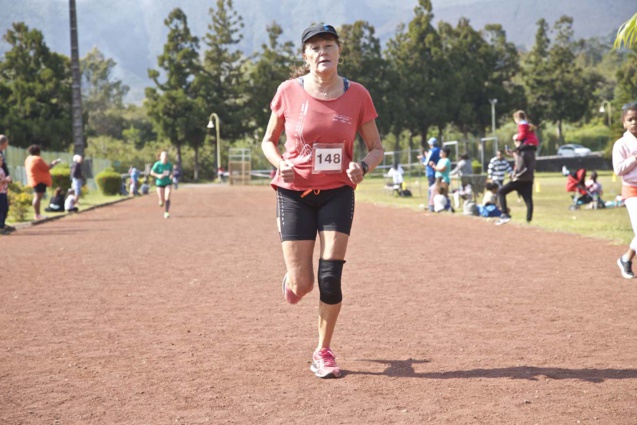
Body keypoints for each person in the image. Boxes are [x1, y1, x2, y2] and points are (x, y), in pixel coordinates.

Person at [260, 23, 384, 379]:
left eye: (328, 45)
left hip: (337, 192)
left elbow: (376, 148)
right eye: (314, 48)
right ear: (305, 56)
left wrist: (362, 166)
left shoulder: (358, 95)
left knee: (330, 277)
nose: (322, 52)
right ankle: (292, 281)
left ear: (339, 51)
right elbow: (268, 141)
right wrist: (280, 162)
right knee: (304, 285)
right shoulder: (287, 91)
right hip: (294, 192)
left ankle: (323, 350)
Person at [613, 102, 637, 279]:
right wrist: (634, 159)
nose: (634, 122)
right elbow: (619, 169)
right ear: (624, 123)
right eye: (631, 119)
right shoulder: (621, 144)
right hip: (632, 190)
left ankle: (626, 259)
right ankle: (626, 259)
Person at [495, 137, 536, 225]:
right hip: (529, 179)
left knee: (501, 192)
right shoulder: (530, 151)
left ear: (519, 141)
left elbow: (521, 166)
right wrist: (513, 154)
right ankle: (529, 220)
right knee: (528, 200)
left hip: (520, 179)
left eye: (516, 140)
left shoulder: (522, 152)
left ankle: (504, 214)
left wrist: (514, 174)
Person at [24, 145, 61, 220]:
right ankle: (37, 214)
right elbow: (47, 168)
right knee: (37, 198)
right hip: (39, 181)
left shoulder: (28, 159)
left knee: (37, 197)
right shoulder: (37, 159)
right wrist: (54, 163)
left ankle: (37, 214)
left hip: (34, 179)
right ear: (38, 152)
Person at [150, 151, 173, 219]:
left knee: (167, 196)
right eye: (163, 156)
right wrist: (158, 175)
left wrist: (171, 175)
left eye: (166, 156)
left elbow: (172, 171)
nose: (165, 158)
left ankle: (166, 212)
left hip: (168, 182)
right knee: (162, 200)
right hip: (159, 183)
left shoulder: (169, 164)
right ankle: (161, 201)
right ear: (160, 157)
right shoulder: (157, 164)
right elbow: (151, 172)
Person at [419, 137, 440, 211]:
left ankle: (430, 205)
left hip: (431, 172)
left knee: (431, 189)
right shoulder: (439, 150)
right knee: (437, 189)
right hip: (438, 172)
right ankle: (437, 204)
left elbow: (426, 162)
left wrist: (423, 158)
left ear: (431, 144)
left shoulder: (432, 150)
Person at [0, 154, 10, 234]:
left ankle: (2, 224)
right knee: (1, 209)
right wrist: (5, 180)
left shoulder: (1, 169)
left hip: (3, 192)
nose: (2, 162)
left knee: (5, 208)